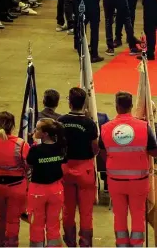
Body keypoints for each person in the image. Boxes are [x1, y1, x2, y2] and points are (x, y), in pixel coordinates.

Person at [101, 91, 157, 247]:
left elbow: (102, 150)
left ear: (116, 106)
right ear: (131, 106)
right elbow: (154, 152)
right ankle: (137, 244)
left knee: (119, 216)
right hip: (139, 182)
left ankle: (121, 244)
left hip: (115, 182)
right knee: (138, 215)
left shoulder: (106, 128)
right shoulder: (143, 126)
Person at [59, 87, 99, 247]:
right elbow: (95, 148)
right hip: (85, 170)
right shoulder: (89, 124)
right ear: (84, 104)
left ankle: (70, 242)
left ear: (69, 102)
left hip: (65, 169)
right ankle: (86, 243)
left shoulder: (60, 121)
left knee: (67, 209)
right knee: (86, 211)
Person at [0, 111, 29, 247]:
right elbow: (28, 165)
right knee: (12, 220)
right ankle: (11, 244)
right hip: (16, 187)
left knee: (0, 215)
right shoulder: (21, 144)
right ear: (13, 125)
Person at [27, 118, 67, 248]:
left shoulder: (35, 150)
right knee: (54, 223)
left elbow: (29, 163)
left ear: (44, 134)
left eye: (37, 129)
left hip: (38, 191)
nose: (35, 131)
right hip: (56, 190)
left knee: (36, 223)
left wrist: (33, 143)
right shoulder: (60, 148)